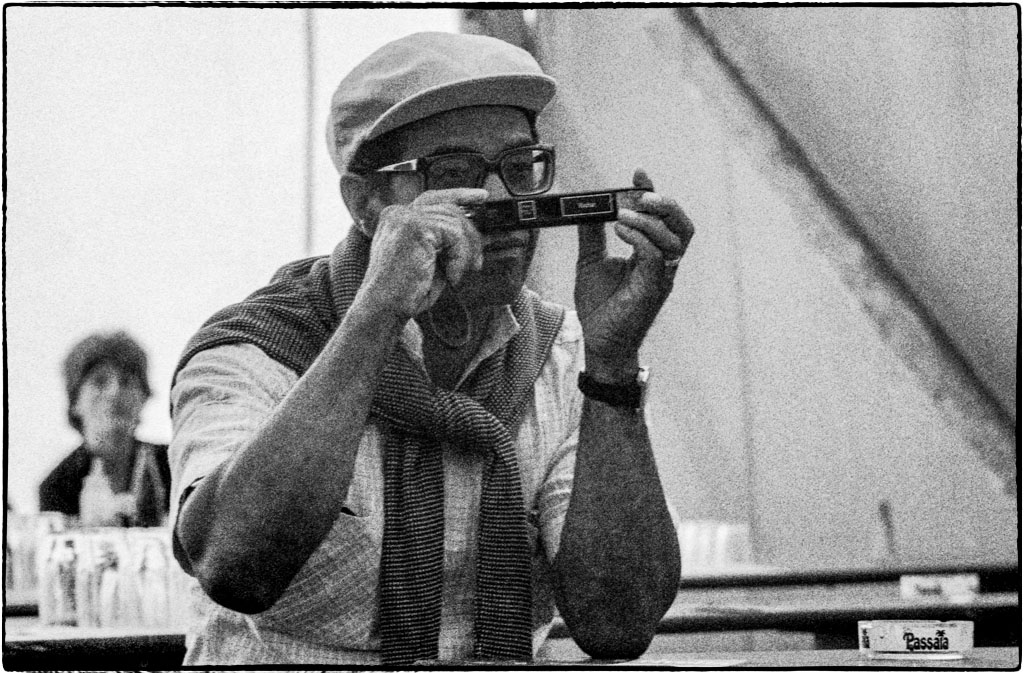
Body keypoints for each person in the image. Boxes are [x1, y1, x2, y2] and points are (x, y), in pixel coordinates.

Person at [168, 31, 693, 666]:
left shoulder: (562, 357)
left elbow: (619, 624)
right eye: (452, 174)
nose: (505, 201)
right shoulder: (258, 349)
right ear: (365, 203)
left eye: (521, 165)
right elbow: (231, 567)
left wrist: (611, 367)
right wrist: (377, 315)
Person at [39, 331, 170, 527]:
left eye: (126, 382)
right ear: (75, 402)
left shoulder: (173, 464)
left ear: (144, 396)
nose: (115, 392)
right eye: (99, 382)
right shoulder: (58, 485)